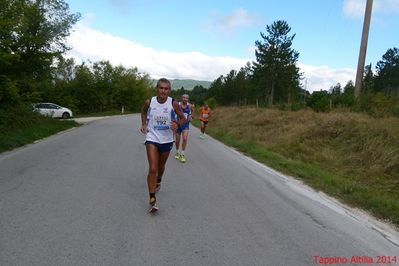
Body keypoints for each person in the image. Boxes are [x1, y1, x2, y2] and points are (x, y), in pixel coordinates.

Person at [140, 78, 186, 213]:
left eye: (166, 89)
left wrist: (177, 124)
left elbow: (183, 118)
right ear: (157, 89)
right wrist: (144, 124)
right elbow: (143, 112)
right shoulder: (150, 101)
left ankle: (159, 180)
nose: (163, 91)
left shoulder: (173, 103)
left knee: (161, 166)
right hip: (152, 137)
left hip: (166, 140)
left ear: (169, 90)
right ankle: (152, 198)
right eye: (161, 88)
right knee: (153, 168)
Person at [174, 94, 194, 163]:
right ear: (182, 98)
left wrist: (191, 116)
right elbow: (173, 112)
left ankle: (182, 154)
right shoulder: (177, 105)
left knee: (185, 138)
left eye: (187, 98)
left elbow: (192, 112)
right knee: (177, 141)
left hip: (185, 125)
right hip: (178, 124)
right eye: (184, 98)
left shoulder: (190, 106)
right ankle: (177, 152)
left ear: (188, 99)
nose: (185, 99)